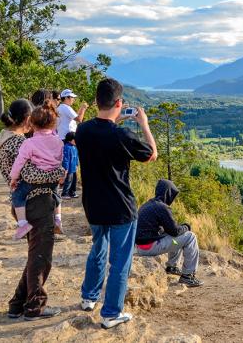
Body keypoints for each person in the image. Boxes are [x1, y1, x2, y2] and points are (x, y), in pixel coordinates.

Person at [75, 78, 157, 330]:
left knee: (98, 249)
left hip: (93, 205)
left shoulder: (83, 130)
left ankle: (89, 297)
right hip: (120, 207)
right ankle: (111, 313)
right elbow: (151, 154)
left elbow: (101, 132)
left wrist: (115, 121)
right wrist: (143, 125)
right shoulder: (122, 134)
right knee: (120, 261)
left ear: (98, 101)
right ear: (119, 103)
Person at [0, 99, 64, 320]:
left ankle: (17, 304)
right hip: (36, 202)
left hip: (27, 204)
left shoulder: (10, 141)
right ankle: (34, 307)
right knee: (41, 258)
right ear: (27, 120)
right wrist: (58, 174)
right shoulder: (17, 143)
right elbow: (30, 175)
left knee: (36, 256)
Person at [8, 101, 64, 240]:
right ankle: (58, 219)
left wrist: (14, 178)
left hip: (35, 181)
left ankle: (22, 224)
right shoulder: (59, 141)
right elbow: (60, 159)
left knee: (17, 195)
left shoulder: (29, 143)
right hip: (52, 180)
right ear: (53, 123)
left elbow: (19, 163)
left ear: (32, 124)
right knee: (57, 194)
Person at [135, 180, 203, 287]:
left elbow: (167, 230)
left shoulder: (148, 204)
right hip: (150, 247)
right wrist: (187, 226)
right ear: (168, 193)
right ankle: (188, 276)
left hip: (141, 247)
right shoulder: (162, 207)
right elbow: (175, 231)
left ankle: (172, 267)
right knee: (190, 236)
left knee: (176, 237)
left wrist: (179, 229)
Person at [61, 131, 79, 199]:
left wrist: (77, 165)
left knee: (74, 180)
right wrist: (66, 168)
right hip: (69, 169)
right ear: (70, 139)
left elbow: (76, 157)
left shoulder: (74, 147)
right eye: (75, 139)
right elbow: (66, 159)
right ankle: (64, 193)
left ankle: (72, 192)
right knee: (68, 181)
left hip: (74, 168)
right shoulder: (66, 147)